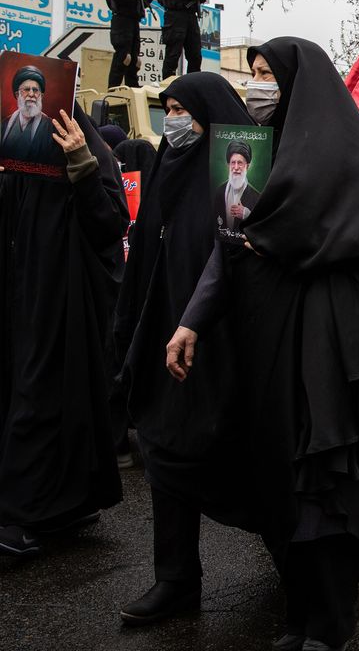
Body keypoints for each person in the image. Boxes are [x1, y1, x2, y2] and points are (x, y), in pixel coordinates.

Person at [165, 37, 359, 650]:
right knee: (279, 473)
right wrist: (192, 320)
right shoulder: (255, 157)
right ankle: (300, 613)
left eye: (268, 73)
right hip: (270, 340)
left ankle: (330, 621)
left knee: (321, 474)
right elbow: (231, 246)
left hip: (329, 341)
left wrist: (290, 245)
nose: (257, 84)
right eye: (252, 73)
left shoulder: (347, 155)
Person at [114, 72, 258, 625]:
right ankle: (175, 580)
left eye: (184, 110)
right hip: (165, 341)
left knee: (238, 458)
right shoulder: (166, 171)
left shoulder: (238, 179)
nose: (174, 120)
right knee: (163, 449)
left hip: (224, 345)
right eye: (168, 108)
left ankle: (304, 571)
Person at [0, 106, 128, 557]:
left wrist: (81, 164)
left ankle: (23, 514)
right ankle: (64, 504)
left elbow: (111, 222)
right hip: (19, 293)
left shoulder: (84, 146)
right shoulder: (14, 147)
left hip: (62, 298)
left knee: (41, 396)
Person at [104, 0, 152, 88]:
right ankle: (113, 88)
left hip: (133, 22)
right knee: (123, 56)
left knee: (134, 58)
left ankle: (133, 86)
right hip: (122, 22)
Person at [1, 65, 57, 164]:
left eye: (35, 90)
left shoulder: (51, 127)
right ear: (17, 94)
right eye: (26, 89)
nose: (31, 94)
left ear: (41, 96)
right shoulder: (4, 125)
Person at [214, 140, 261, 239]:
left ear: (247, 166)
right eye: (233, 163)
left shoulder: (256, 197)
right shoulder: (219, 192)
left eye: (240, 163)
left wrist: (246, 214)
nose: (236, 167)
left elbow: (262, 225)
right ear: (228, 165)